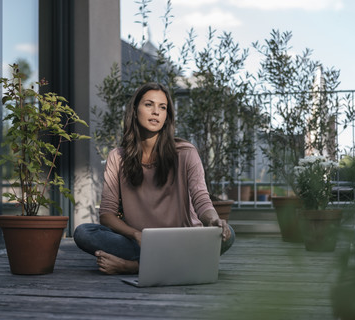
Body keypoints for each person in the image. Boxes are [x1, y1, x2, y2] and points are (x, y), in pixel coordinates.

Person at [73, 82, 235, 275]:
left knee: (228, 234)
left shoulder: (185, 153)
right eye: (149, 105)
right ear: (134, 110)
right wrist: (136, 235)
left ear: (167, 116)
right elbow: (107, 214)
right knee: (84, 233)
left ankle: (133, 266)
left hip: (182, 240)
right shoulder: (118, 157)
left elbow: (201, 198)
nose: (156, 112)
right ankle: (179, 263)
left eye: (162, 107)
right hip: (140, 241)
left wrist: (214, 220)